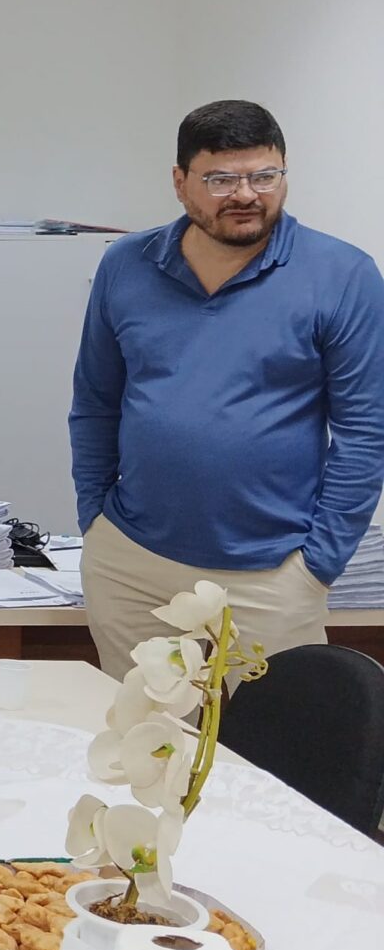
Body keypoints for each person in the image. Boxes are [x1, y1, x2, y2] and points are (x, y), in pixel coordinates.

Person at [71, 100, 384, 674]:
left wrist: (319, 562)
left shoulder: (342, 274)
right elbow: (96, 402)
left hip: (272, 573)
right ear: (180, 182)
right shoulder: (126, 265)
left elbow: (366, 430)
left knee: (271, 732)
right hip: (132, 564)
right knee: (142, 727)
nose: (245, 195)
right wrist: (94, 518)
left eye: (264, 176)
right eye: (220, 179)